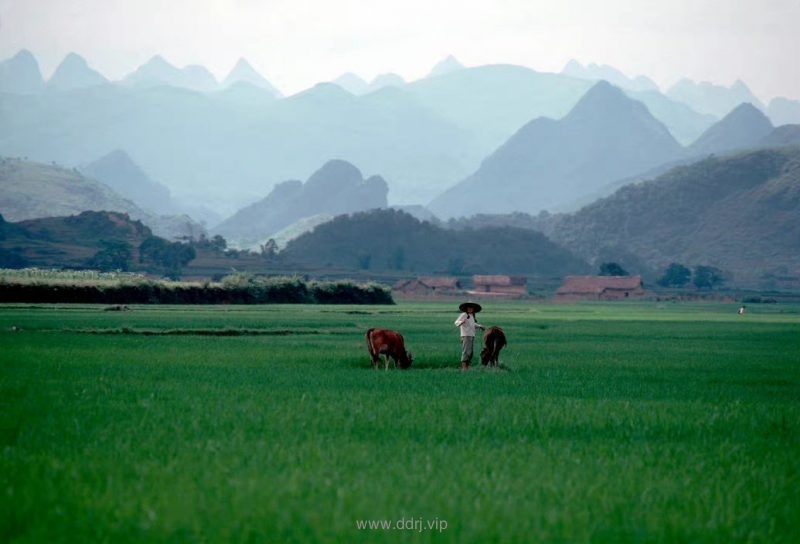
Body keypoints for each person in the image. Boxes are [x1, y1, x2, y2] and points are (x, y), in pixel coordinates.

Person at [454, 301, 484, 370]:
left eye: (471, 308)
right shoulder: (464, 314)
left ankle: (467, 367)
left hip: (471, 335)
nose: (470, 309)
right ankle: (464, 368)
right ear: (466, 309)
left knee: (470, 352)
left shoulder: (471, 316)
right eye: (469, 308)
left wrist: (480, 326)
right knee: (466, 351)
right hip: (466, 335)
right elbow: (456, 322)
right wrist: (461, 322)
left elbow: (473, 324)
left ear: (473, 309)